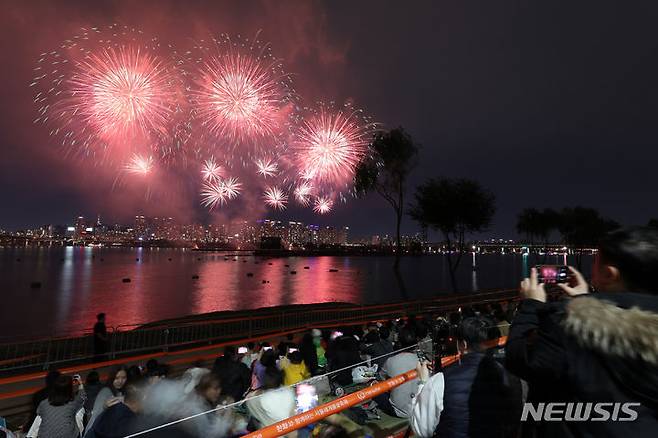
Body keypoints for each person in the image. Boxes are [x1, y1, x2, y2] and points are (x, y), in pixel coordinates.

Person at [505, 227, 658, 438]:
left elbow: (519, 358)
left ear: (609, 274)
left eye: (596, 261)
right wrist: (584, 303)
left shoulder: (567, 325)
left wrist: (531, 305)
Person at [410, 316, 522, 438]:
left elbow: (422, 430)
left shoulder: (441, 381)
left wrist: (423, 383)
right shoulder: (511, 375)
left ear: (462, 345)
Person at [374, 328, 420, 418]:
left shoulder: (391, 361)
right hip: (420, 410)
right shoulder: (423, 361)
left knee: (375, 389)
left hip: (399, 411)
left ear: (399, 343)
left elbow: (381, 378)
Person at [246, 367, 296, 434]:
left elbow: (250, 401)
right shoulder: (289, 391)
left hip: (273, 429)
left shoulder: (263, 399)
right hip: (288, 426)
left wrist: (256, 393)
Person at [85, 366, 128, 433]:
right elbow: (95, 416)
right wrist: (105, 407)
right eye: (116, 378)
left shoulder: (121, 391)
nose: (120, 381)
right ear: (112, 378)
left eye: (123, 378)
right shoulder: (105, 391)